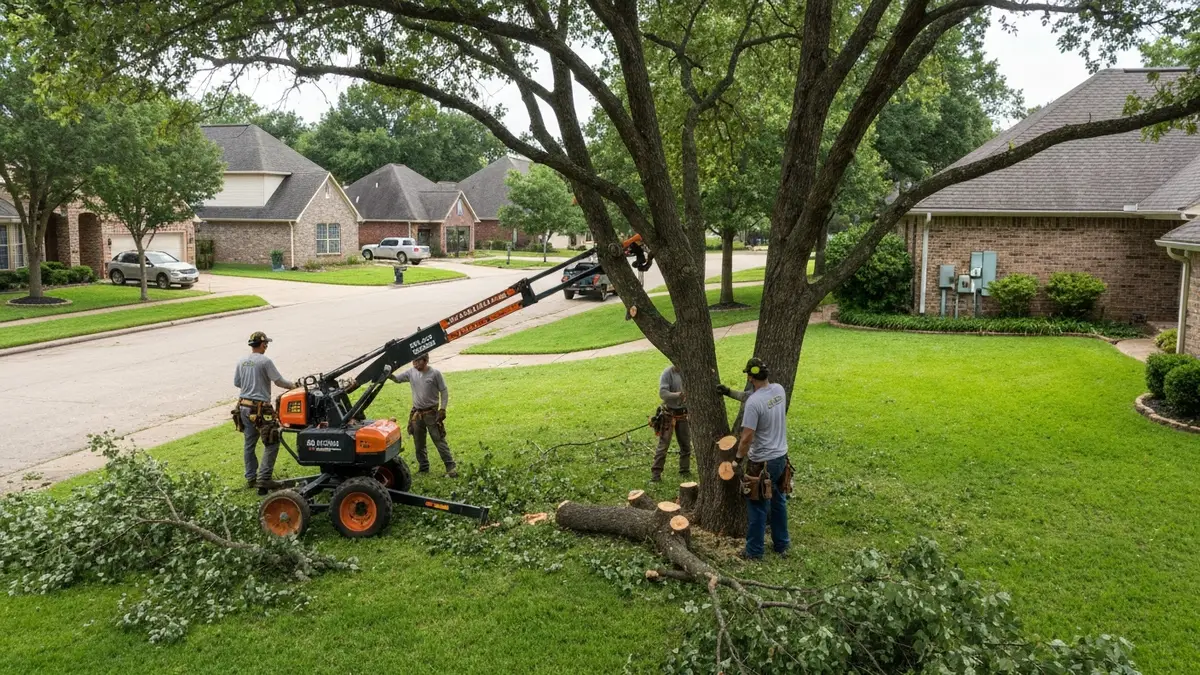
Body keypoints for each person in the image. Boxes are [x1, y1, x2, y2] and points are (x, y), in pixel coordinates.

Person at [718, 357, 790, 560]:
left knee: (757, 506)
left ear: (750, 377)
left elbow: (747, 437)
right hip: (781, 457)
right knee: (778, 501)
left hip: (761, 462)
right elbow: (754, 397)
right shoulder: (778, 390)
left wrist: (738, 459)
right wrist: (729, 392)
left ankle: (754, 551)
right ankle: (782, 545)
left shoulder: (753, 404)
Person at [233, 331, 299, 494]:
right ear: (262, 344)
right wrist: (293, 386)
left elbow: (237, 383)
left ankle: (251, 477)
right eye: (266, 344)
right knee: (272, 440)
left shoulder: (242, 361)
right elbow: (278, 381)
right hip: (260, 408)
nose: (267, 347)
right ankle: (264, 478)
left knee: (249, 443)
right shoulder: (265, 361)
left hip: (243, 407)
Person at [392, 353, 457, 478]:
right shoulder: (411, 372)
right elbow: (397, 379)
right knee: (419, 442)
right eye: (414, 361)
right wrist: (388, 374)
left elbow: (444, 391)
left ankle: (451, 467)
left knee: (438, 439)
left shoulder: (435, 374)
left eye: (418, 361)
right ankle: (424, 467)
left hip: (431, 414)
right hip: (417, 414)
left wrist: (442, 409)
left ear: (426, 360)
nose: (415, 364)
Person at [651, 364, 692, 482]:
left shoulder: (688, 371)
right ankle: (656, 475)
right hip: (669, 414)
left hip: (683, 414)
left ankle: (685, 470)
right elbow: (663, 393)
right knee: (663, 445)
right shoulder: (667, 373)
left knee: (686, 444)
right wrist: (678, 395)